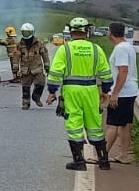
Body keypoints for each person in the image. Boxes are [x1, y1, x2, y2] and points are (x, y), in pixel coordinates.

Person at [45, 18, 114, 170]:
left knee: (74, 123)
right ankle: (104, 162)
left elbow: (56, 73)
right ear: (87, 31)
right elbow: (106, 73)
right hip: (90, 90)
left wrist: (52, 92)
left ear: (71, 31)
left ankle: (79, 161)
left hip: (71, 91)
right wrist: (105, 91)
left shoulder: (65, 49)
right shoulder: (96, 49)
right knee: (95, 124)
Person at [105, 21, 139, 163]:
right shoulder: (128, 46)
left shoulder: (120, 49)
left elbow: (123, 70)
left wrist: (115, 93)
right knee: (124, 124)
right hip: (130, 90)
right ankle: (123, 155)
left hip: (122, 92)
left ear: (110, 33)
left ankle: (102, 155)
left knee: (112, 124)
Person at [16, 22, 47, 110]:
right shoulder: (19, 45)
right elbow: (16, 57)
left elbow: (45, 55)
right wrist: (15, 70)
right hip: (25, 70)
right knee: (25, 87)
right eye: (24, 32)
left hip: (37, 68)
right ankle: (26, 103)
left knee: (41, 84)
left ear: (32, 32)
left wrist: (47, 67)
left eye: (28, 32)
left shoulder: (39, 44)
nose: (26, 34)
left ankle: (36, 97)